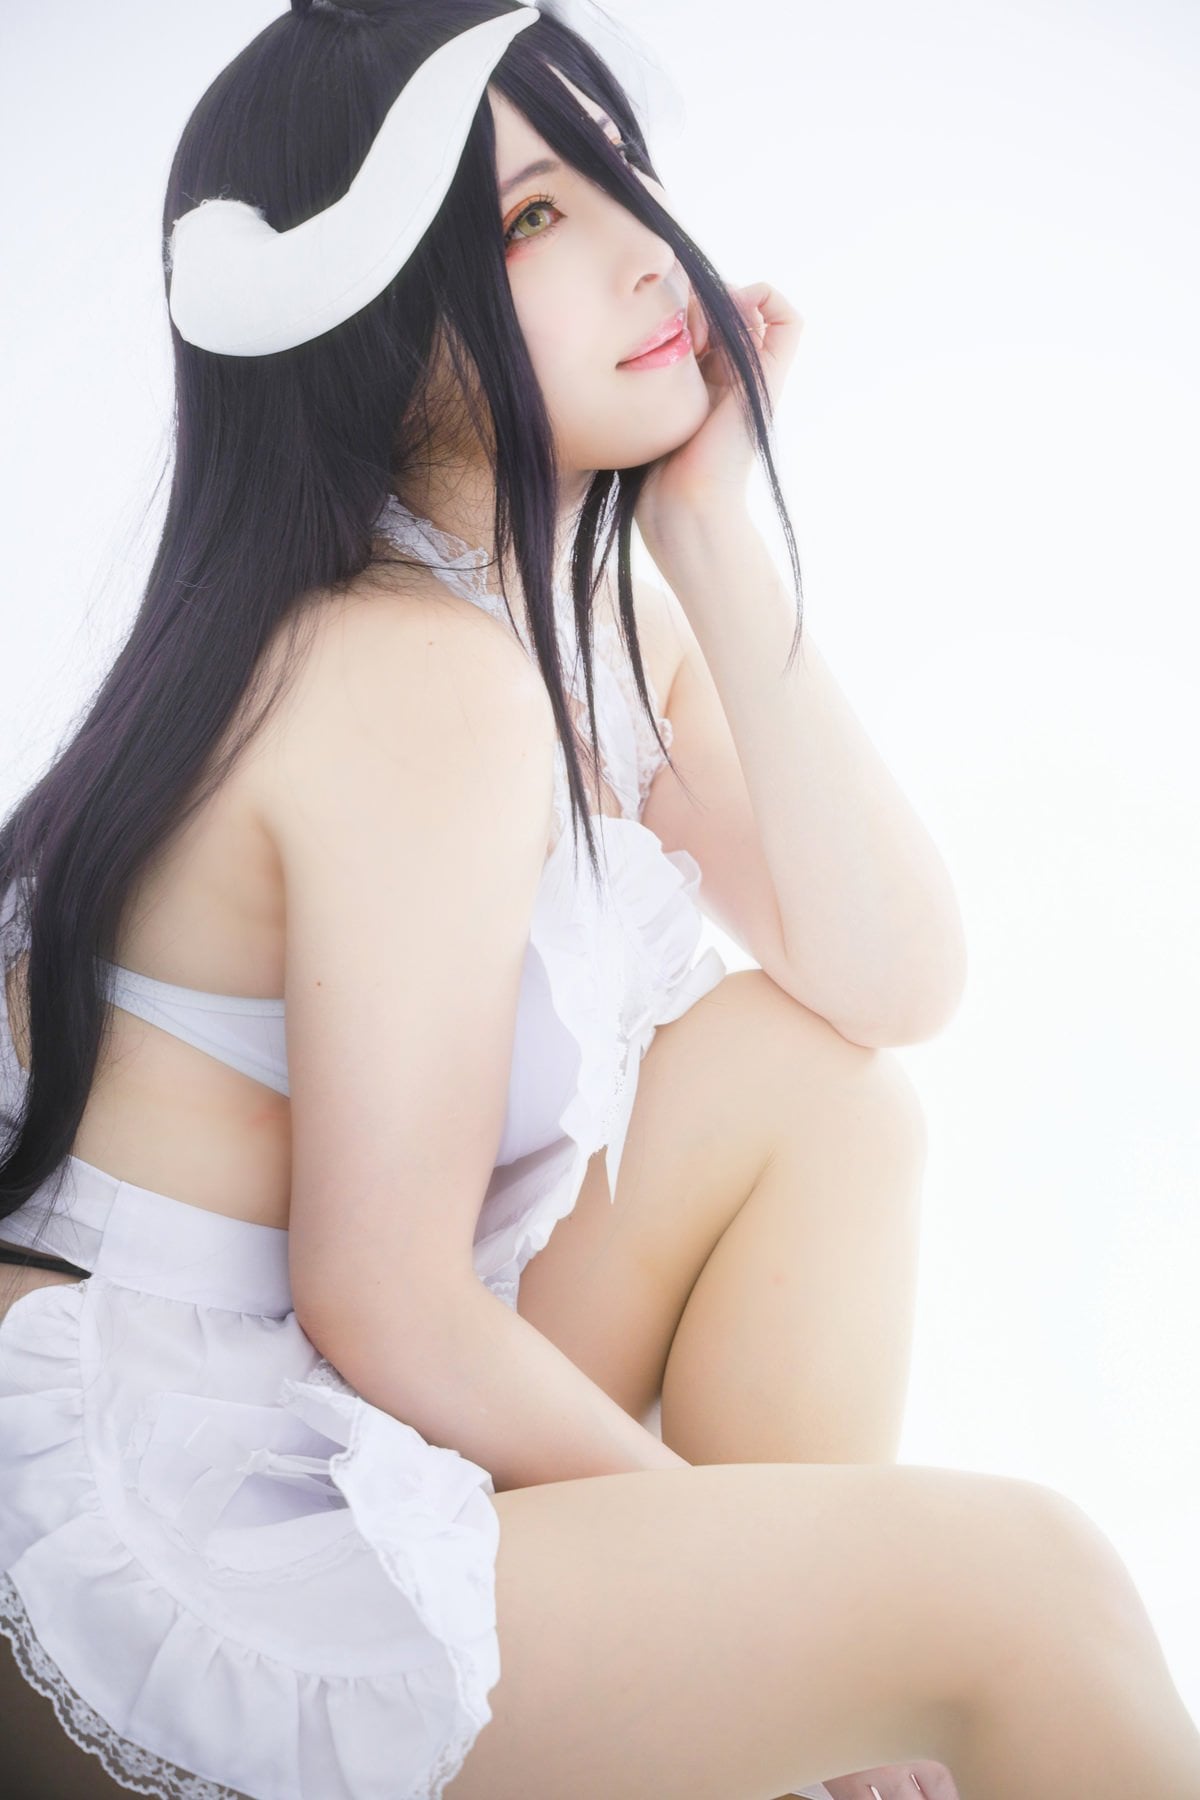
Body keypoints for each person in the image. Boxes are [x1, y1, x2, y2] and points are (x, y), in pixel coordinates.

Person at [2, 4, 1198, 1798]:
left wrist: (708, 525)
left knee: (822, 1091)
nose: (650, 248)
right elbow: (384, 1299)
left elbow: (891, 983)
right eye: (534, 217)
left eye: (622, 174)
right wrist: (800, 1633)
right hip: (155, 1501)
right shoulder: (401, 672)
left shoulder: (571, 626)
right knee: (1021, 1594)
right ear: (373, 314)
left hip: (315, 1403)